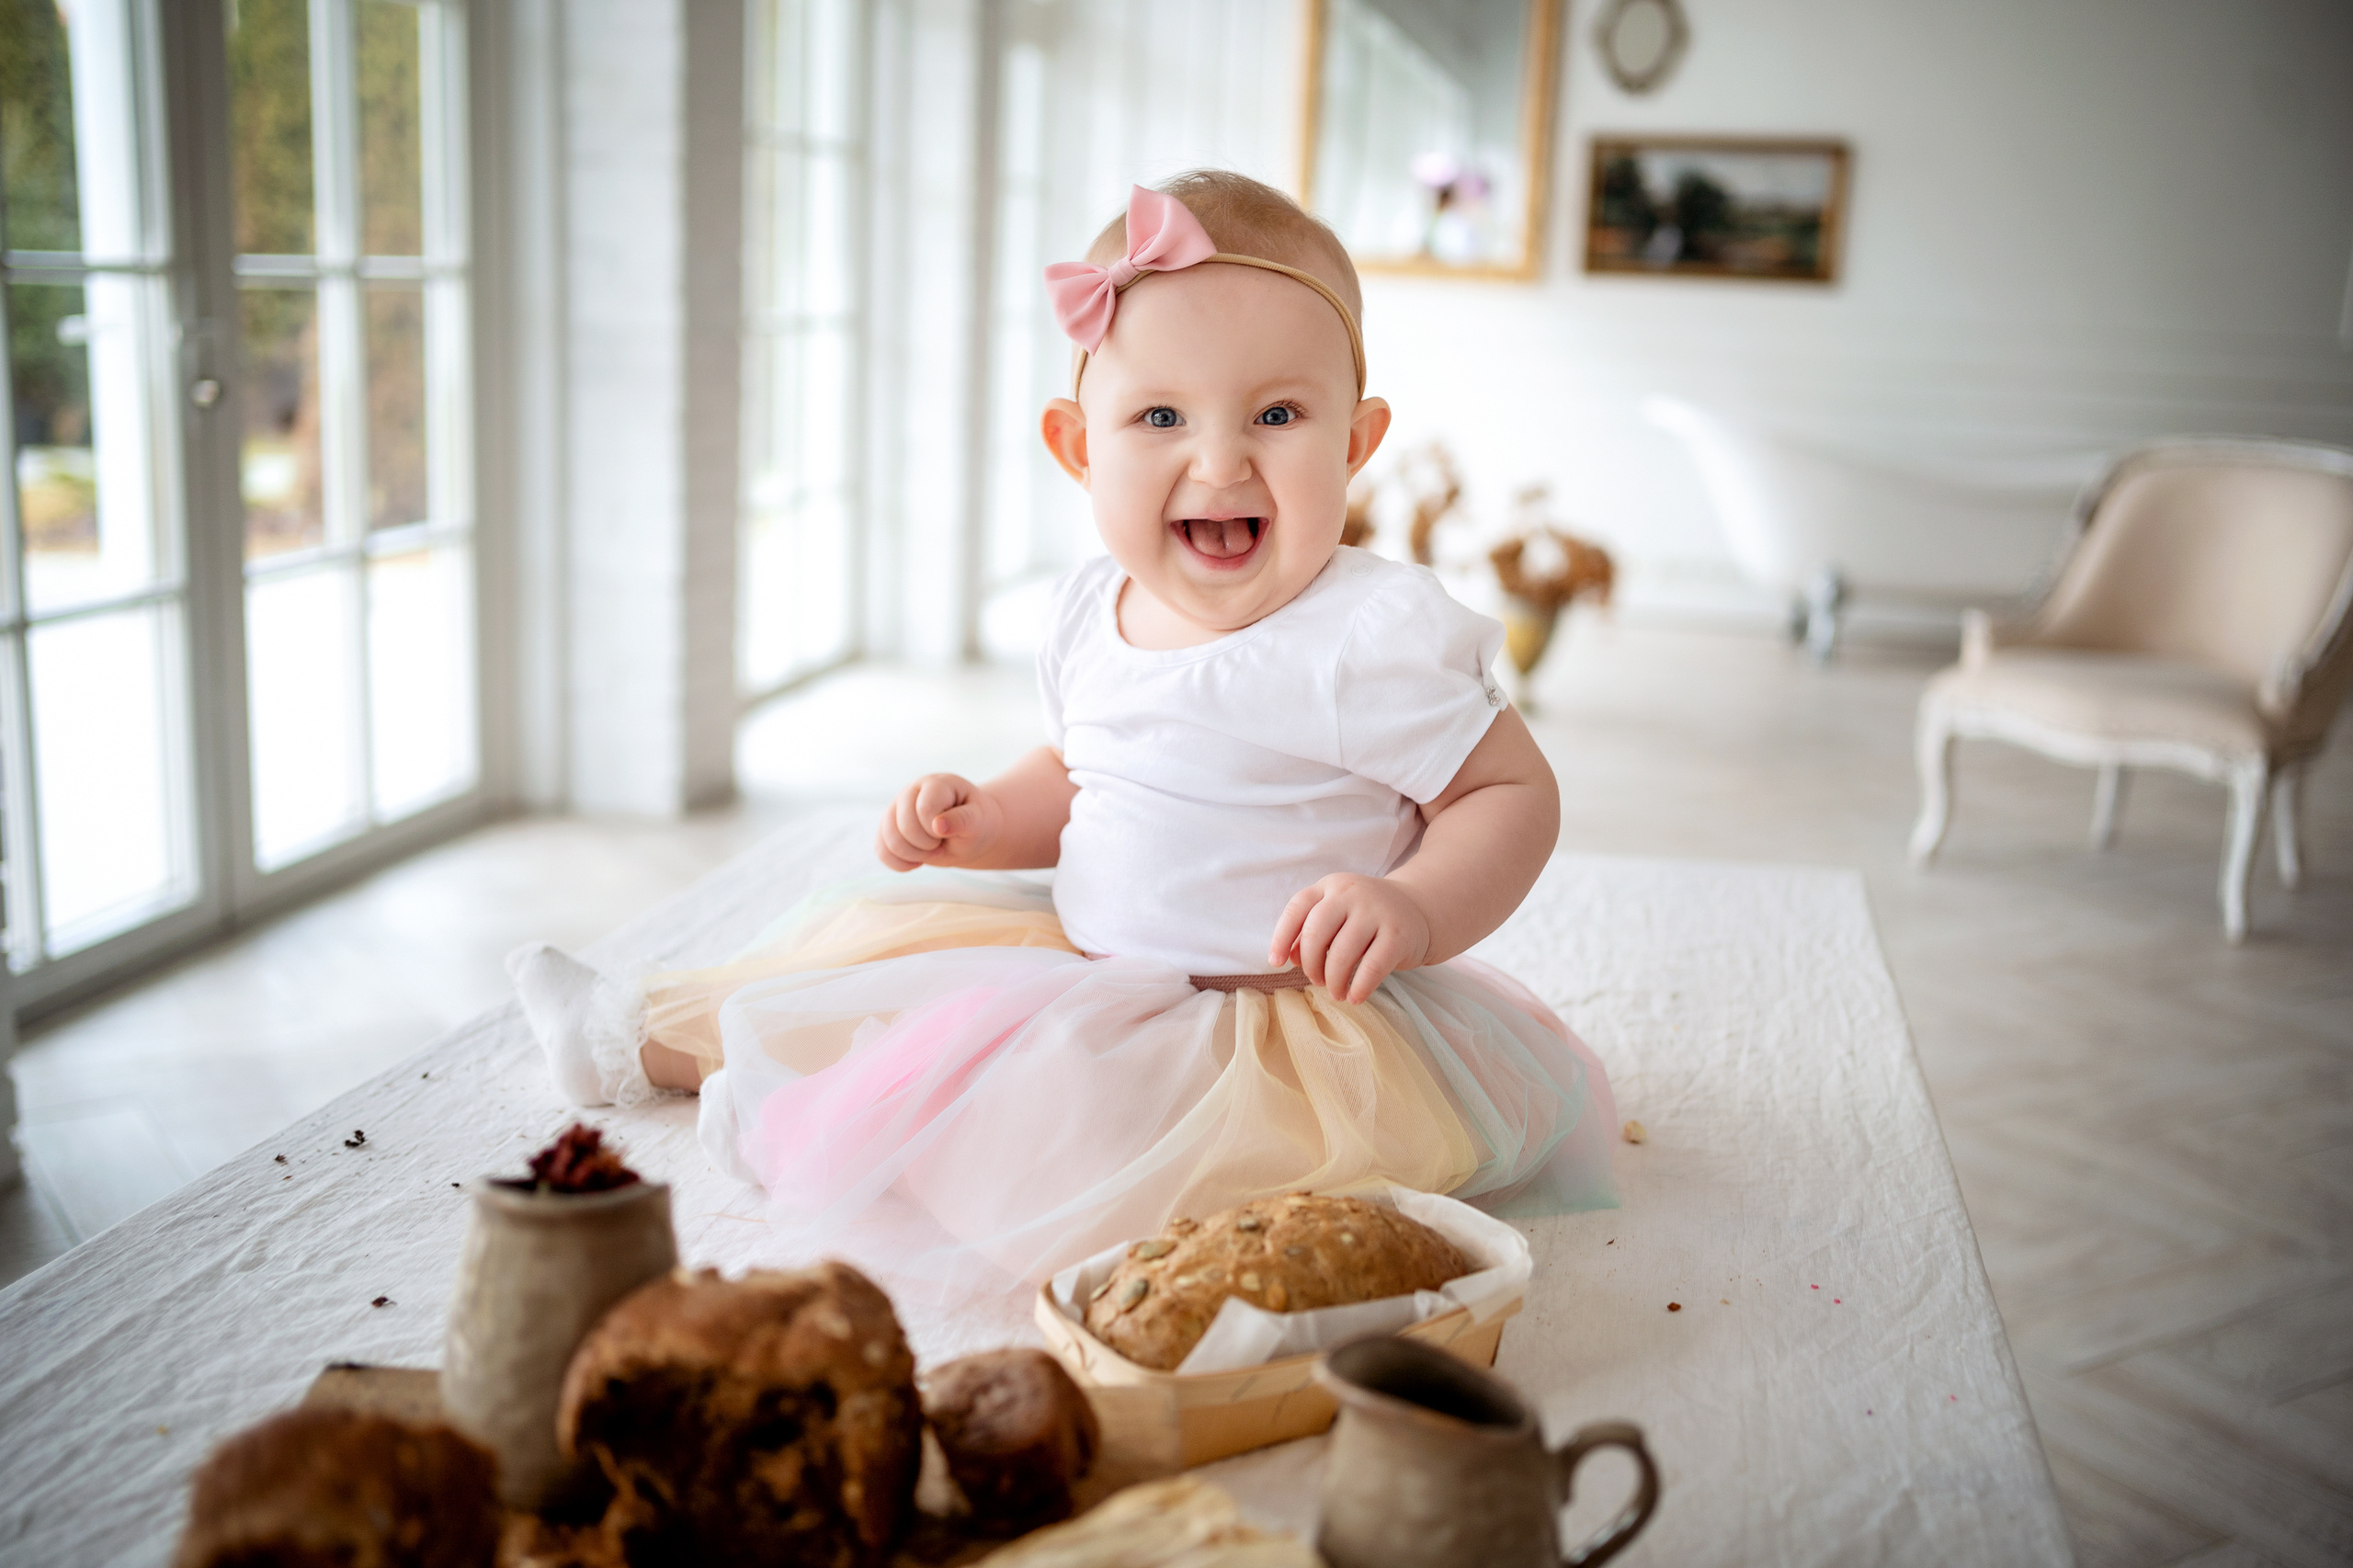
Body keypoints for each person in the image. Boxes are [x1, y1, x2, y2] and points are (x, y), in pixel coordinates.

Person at [510, 171, 1616, 1318]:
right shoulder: (1094, 607)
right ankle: (634, 1035)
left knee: (1097, 1148)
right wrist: (987, 815)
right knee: (850, 978)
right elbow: (1081, 770)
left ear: (1357, 440)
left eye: (1277, 417)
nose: (1222, 462)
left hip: (1275, 1020)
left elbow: (1507, 791)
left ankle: (817, 1116)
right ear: (1077, 446)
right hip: (1083, 960)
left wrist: (1418, 905)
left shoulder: (1368, 635)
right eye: (1160, 418)